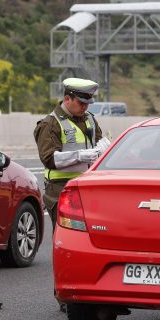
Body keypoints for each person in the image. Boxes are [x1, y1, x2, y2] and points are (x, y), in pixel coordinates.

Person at [33, 77, 111, 233]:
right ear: (67, 99)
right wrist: (80, 156)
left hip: (87, 186)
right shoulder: (50, 124)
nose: (85, 107)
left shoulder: (89, 119)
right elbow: (49, 158)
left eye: (87, 103)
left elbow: (100, 141)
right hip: (62, 188)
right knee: (65, 236)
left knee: (89, 235)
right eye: (81, 103)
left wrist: (104, 146)